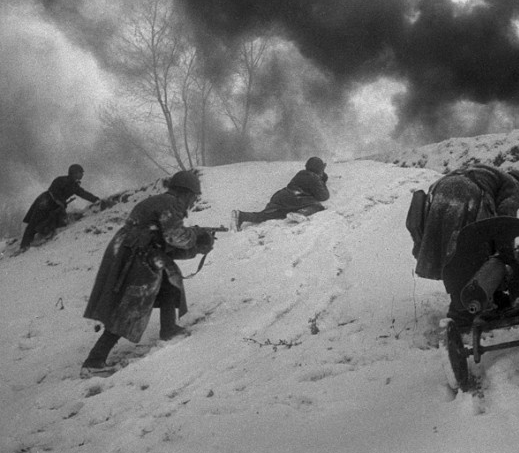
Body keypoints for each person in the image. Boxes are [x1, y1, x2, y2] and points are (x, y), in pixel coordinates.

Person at [80, 170, 215, 378]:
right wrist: (196, 235)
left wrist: (197, 248)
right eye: (193, 197)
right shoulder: (171, 204)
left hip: (134, 251)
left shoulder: (160, 201)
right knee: (132, 304)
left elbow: (166, 244)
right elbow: (176, 237)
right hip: (136, 255)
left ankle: (168, 328)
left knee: (170, 280)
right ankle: (94, 361)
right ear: (186, 193)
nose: (192, 202)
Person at [406, 165, 519, 320]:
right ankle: (465, 308)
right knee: (474, 249)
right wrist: (507, 251)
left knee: (451, 252)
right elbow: (506, 219)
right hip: (468, 192)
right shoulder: (516, 184)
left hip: (440, 189)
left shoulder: (492, 175)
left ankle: (460, 304)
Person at [231, 157, 330, 231]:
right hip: (296, 198)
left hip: (281, 196)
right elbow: (324, 196)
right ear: (318, 169)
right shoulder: (315, 178)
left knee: (266, 215)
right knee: (318, 206)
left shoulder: (301, 173)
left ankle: (241, 215)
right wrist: (323, 179)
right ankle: (299, 213)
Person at [19, 164, 101, 252]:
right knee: (34, 222)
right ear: (74, 173)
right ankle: (24, 246)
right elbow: (53, 191)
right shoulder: (60, 180)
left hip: (54, 205)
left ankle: (39, 238)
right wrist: (62, 202)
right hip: (45, 201)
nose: (82, 174)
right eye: (81, 172)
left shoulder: (74, 185)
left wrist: (96, 199)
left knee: (53, 222)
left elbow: (83, 193)